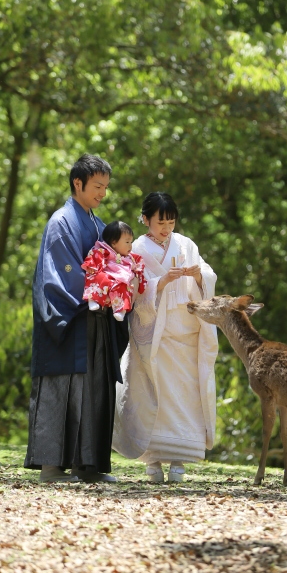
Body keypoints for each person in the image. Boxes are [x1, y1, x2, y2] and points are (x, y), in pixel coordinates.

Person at [24, 154, 127, 483]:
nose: (102, 194)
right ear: (77, 184)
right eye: (97, 186)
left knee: (94, 391)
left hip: (97, 318)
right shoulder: (61, 222)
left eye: (106, 188)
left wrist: (118, 288)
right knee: (62, 389)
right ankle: (51, 466)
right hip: (69, 316)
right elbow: (59, 274)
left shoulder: (99, 225)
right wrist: (96, 292)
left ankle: (88, 465)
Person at [112, 192, 219, 483]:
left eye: (171, 222)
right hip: (154, 332)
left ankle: (179, 460)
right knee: (152, 391)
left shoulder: (186, 244)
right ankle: (153, 460)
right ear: (145, 219)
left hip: (185, 331)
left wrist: (199, 277)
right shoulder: (136, 249)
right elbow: (131, 287)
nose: (166, 228)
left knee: (184, 394)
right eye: (161, 222)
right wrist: (161, 282)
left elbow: (209, 276)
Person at [81, 220, 147, 320]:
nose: (130, 245)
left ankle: (121, 309)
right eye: (127, 242)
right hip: (105, 277)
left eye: (131, 242)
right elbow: (94, 258)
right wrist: (92, 267)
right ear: (114, 242)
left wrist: (137, 276)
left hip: (119, 280)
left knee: (123, 285)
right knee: (98, 276)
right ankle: (93, 299)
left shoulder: (131, 257)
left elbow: (137, 267)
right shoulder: (102, 249)